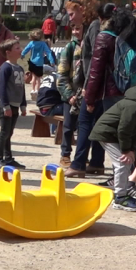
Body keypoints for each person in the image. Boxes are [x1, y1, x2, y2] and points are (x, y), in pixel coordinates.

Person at [68, 6, 136, 178]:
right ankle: (99, 164)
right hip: (127, 89)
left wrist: (90, 97)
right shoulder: (130, 35)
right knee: (120, 130)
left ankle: (80, 164)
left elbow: (95, 70)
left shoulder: (104, 35)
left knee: (88, 123)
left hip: (106, 91)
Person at [90, 84, 136, 211]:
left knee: (126, 162)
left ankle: (123, 193)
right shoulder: (135, 105)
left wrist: (132, 149)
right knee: (122, 162)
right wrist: (126, 150)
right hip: (107, 133)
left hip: (115, 134)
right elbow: (124, 129)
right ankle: (120, 198)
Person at [0, 38, 27, 170]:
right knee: (4, 133)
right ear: (8, 52)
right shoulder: (5, 68)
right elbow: (1, 88)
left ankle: (8, 159)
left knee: (9, 133)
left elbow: (22, 88)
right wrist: (5, 106)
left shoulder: (20, 68)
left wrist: (23, 105)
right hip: (7, 106)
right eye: (17, 48)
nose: (20, 50)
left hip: (15, 106)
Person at [55, 24, 83, 166]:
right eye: (74, 29)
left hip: (87, 94)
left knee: (84, 128)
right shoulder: (70, 48)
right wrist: (69, 95)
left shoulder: (91, 44)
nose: (76, 32)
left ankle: (81, 156)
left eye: (78, 28)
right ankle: (65, 154)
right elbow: (61, 75)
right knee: (68, 127)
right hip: (71, 95)